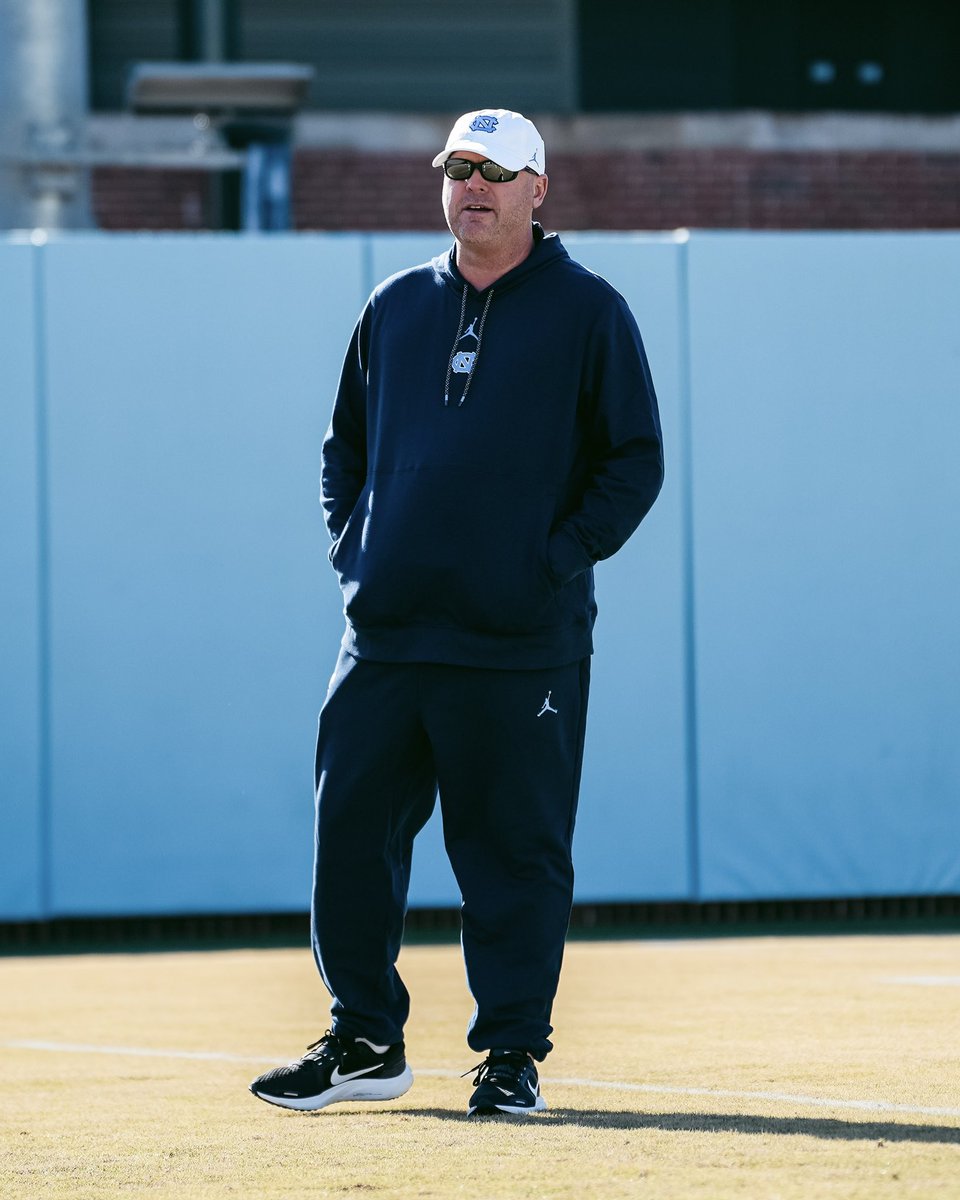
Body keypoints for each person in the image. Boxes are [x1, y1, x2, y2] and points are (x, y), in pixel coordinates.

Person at [250, 108, 663, 1118]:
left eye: (494, 171)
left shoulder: (590, 312)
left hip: (522, 646)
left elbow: (633, 463)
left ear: (538, 188)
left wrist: (549, 563)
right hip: (387, 635)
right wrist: (360, 553)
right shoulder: (393, 307)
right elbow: (340, 450)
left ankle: (512, 1054)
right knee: (350, 837)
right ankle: (362, 1040)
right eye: (457, 169)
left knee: (512, 856)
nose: (471, 187)